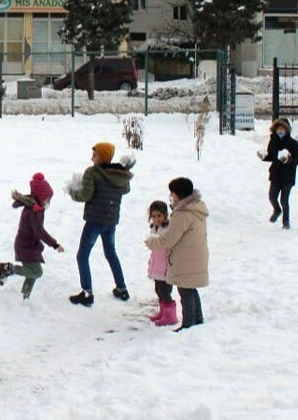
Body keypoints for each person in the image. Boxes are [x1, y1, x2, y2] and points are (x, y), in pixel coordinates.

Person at [67, 142, 134, 305]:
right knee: (111, 253)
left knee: (82, 255)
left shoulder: (92, 172)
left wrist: (71, 191)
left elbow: (85, 195)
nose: (92, 157)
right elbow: (125, 190)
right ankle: (122, 288)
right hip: (110, 221)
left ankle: (87, 293)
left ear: (102, 157)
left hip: (94, 221)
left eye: (95, 155)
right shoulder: (119, 174)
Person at [143, 178, 210, 332]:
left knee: (185, 290)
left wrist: (151, 242)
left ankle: (188, 323)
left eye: (172, 192)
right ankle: (197, 320)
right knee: (190, 289)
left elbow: (169, 239)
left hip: (186, 257)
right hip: (195, 255)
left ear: (179, 194)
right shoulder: (196, 207)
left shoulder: (182, 214)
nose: (171, 195)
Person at [0, 173, 64, 301]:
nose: (49, 202)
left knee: (32, 273)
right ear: (40, 197)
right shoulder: (34, 211)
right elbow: (40, 231)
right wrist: (54, 244)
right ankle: (7, 268)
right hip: (25, 246)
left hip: (30, 246)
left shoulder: (36, 207)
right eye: (47, 199)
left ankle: (25, 297)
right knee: (37, 272)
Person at [258, 118, 298, 230]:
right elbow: (271, 156)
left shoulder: (293, 143)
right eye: (278, 128)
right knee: (272, 197)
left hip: (288, 176)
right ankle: (277, 210)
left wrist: (290, 160)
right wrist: (264, 157)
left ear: (287, 130)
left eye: (283, 129)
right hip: (275, 174)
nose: (280, 131)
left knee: (284, 200)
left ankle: (286, 222)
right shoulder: (273, 141)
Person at [145, 201, 176, 327]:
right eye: (154, 216)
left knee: (164, 290)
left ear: (165, 215)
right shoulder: (154, 228)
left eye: (159, 216)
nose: (157, 219)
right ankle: (163, 312)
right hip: (157, 264)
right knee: (158, 289)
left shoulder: (167, 230)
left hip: (165, 266)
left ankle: (170, 316)